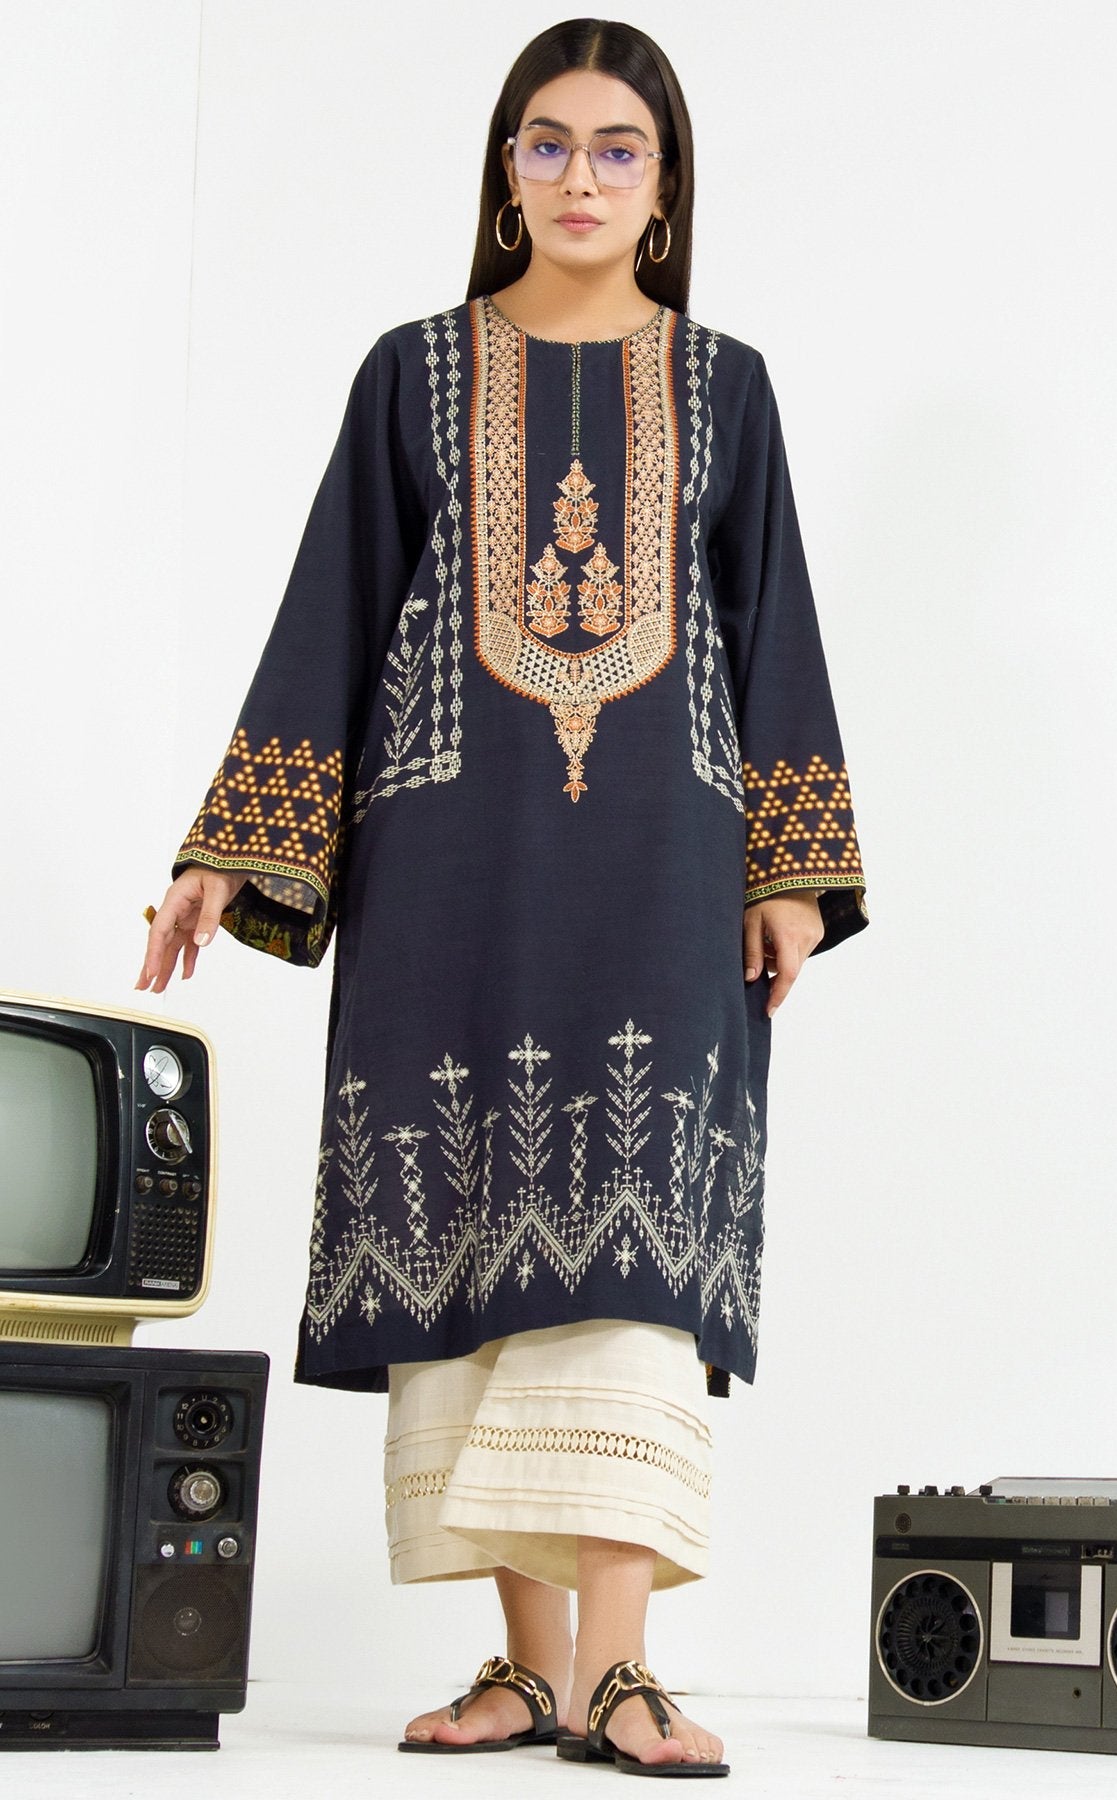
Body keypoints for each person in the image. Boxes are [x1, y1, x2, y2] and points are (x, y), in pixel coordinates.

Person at [138, 17, 868, 1777]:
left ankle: (622, 1671)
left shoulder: (727, 386)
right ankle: (535, 1673)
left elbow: (771, 626)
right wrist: (227, 843)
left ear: (666, 188)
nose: (579, 178)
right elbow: (333, 610)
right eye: (547, 144)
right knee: (477, 1234)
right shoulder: (411, 375)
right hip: (446, 869)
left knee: (628, 1249)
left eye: (619, 149)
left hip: (665, 874)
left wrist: (790, 867)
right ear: (504, 172)